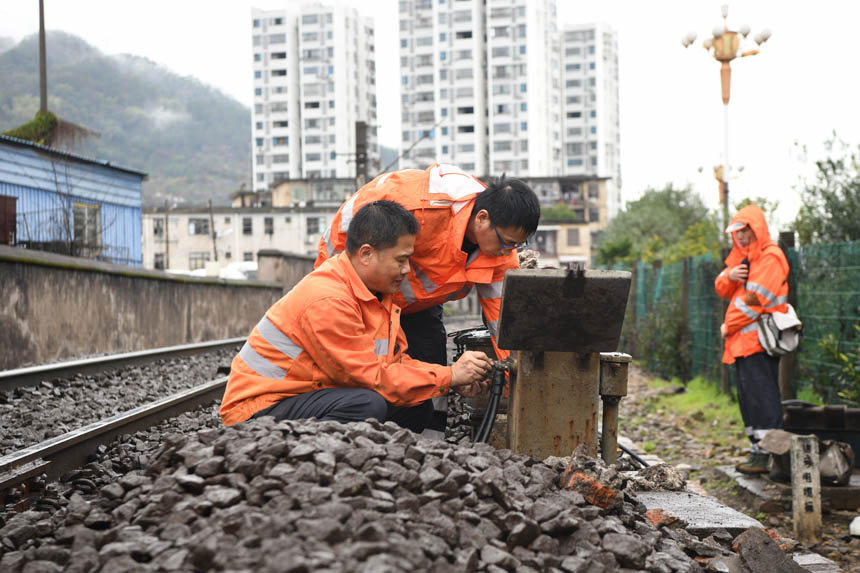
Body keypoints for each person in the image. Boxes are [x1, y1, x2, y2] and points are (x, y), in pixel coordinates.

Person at [219, 200, 493, 432]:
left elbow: (395, 363)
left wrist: (449, 379)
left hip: (305, 394)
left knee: (417, 404)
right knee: (366, 404)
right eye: (401, 259)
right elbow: (371, 377)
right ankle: (307, 468)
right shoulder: (328, 299)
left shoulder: (376, 294)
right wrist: (449, 376)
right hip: (256, 410)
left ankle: (378, 466)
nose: (407, 269)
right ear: (366, 254)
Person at [315, 164, 541, 434]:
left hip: (418, 303)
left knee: (432, 365)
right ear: (482, 219)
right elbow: (347, 234)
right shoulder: (418, 207)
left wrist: (512, 377)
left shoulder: (500, 252)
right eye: (507, 243)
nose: (509, 251)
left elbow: (502, 321)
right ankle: (357, 433)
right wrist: (335, 290)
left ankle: (428, 452)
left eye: (517, 245)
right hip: (364, 287)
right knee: (373, 367)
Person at [715, 204, 789, 474]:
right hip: (744, 345)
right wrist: (728, 274)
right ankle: (758, 451)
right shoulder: (746, 260)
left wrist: (728, 325)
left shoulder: (770, 258)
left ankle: (771, 456)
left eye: (745, 230)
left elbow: (755, 301)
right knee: (750, 400)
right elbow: (723, 288)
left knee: (763, 398)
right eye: (737, 232)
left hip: (758, 343)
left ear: (757, 229)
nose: (742, 236)